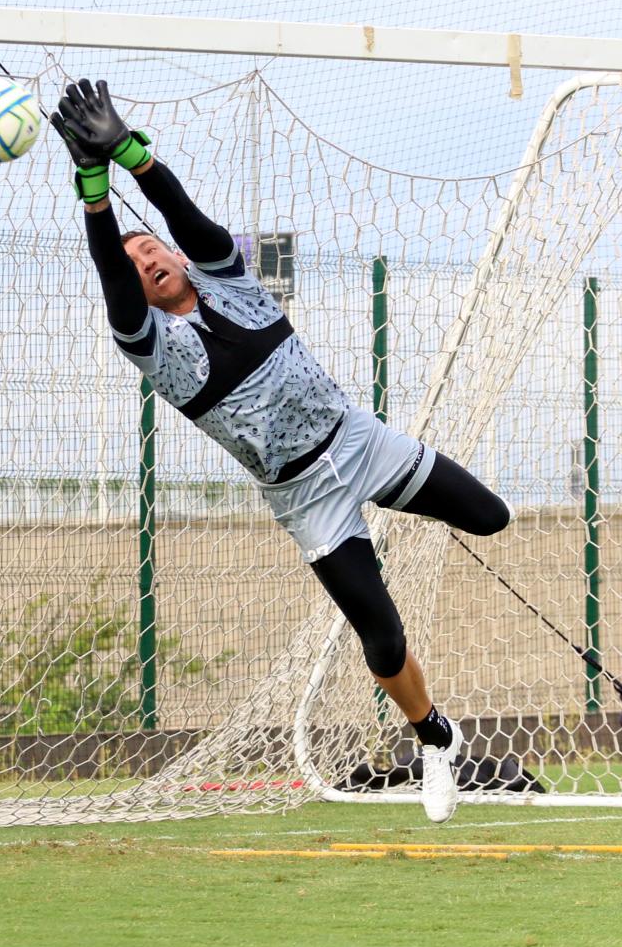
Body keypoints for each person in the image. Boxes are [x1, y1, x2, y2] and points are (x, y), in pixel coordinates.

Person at [50, 79, 512, 821]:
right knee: (382, 638)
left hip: (360, 442)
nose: (146, 261)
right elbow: (113, 277)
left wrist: (130, 152)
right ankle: (435, 737)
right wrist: (94, 190)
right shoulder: (152, 345)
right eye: (135, 263)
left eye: (151, 249)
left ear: (175, 255)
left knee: (490, 517)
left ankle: (404, 535)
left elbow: (186, 216)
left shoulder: (229, 278)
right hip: (306, 497)